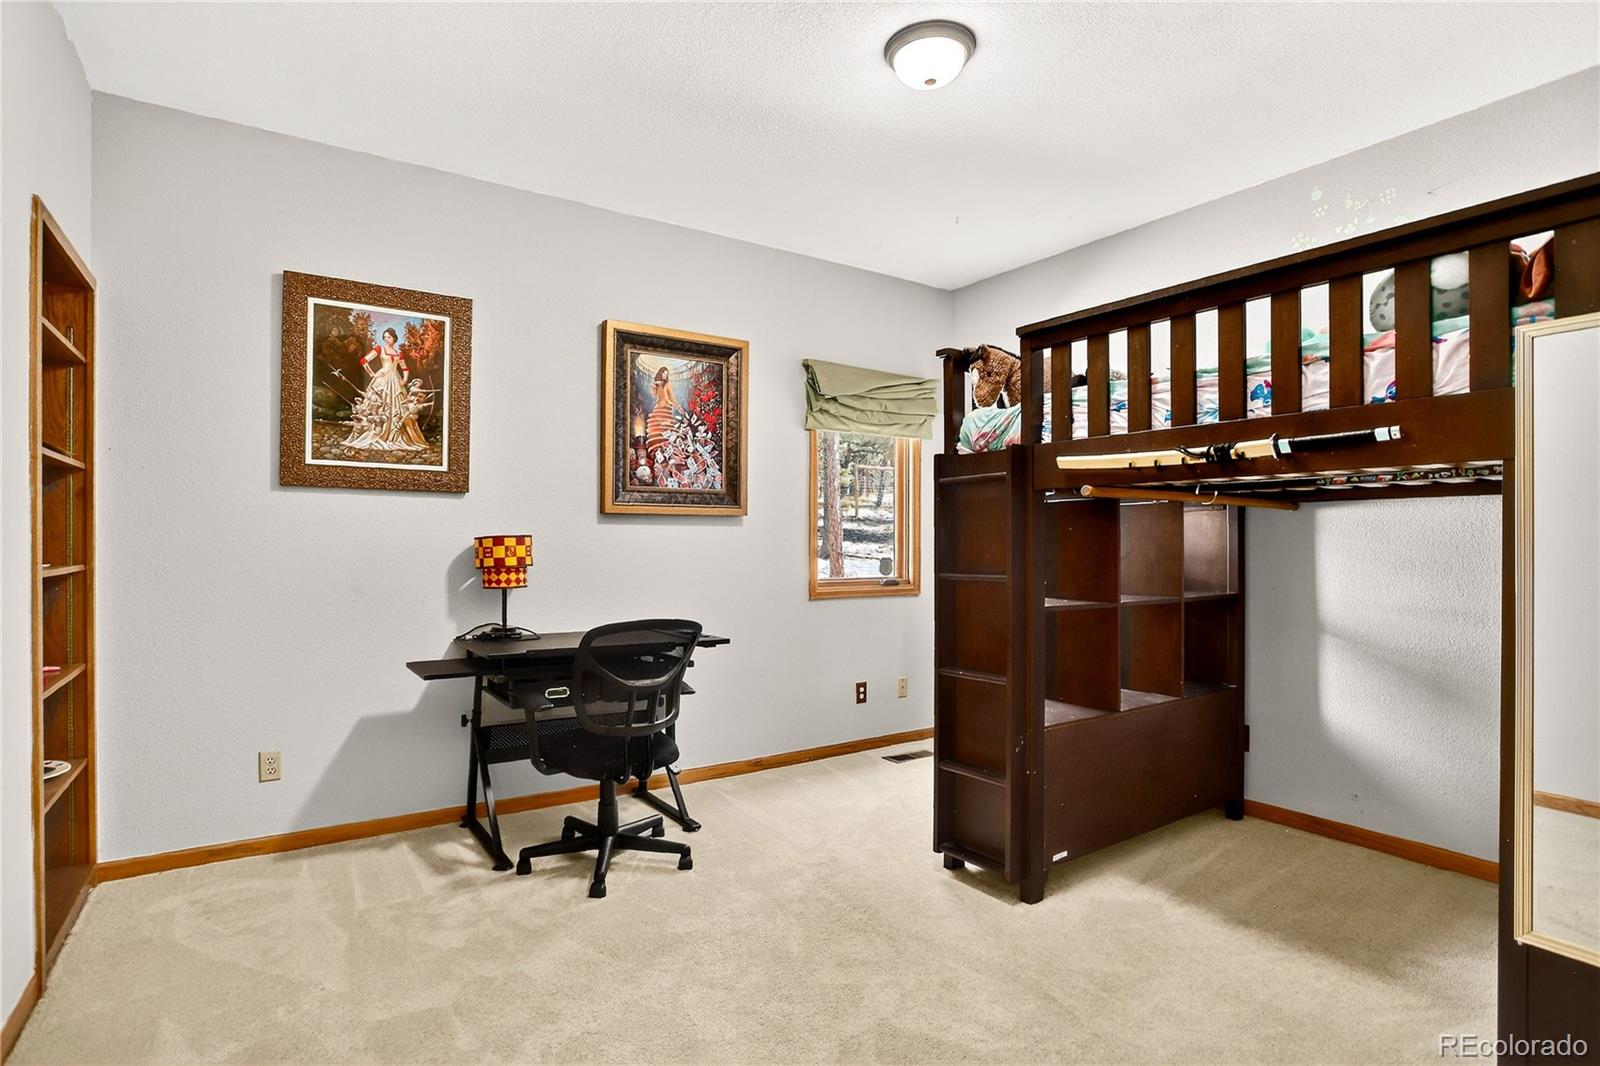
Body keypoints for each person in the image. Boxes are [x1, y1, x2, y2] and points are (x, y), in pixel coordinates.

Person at [342, 327, 427, 451]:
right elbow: (364, 361)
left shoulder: (398, 353)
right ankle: (378, 432)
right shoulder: (380, 349)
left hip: (395, 380)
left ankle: (395, 435)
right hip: (382, 378)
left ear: (394, 338)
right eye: (385, 337)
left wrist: (404, 379)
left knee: (398, 405)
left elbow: (404, 368)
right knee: (378, 401)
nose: (387, 339)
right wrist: (372, 374)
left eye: (389, 337)